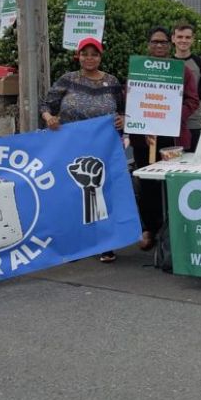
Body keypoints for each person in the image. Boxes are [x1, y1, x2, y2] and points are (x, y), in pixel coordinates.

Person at [40, 37, 125, 263]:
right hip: (71, 146)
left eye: (94, 54)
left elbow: (125, 111)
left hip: (103, 148)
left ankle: (105, 244)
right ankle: (75, 244)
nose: (89, 58)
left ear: (101, 56)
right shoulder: (68, 80)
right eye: (85, 53)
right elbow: (46, 105)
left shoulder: (112, 82)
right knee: (72, 193)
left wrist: (123, 120)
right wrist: (49, 118)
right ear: (78, 56)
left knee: (102, 193)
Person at [130, 26, 199, 252]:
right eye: (155, 42)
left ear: (169, 45)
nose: (159, 46)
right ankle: (150, 229)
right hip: (145, 138)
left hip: (173, 137)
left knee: (172, 184)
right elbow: (131, 98)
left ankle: (173, 231)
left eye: (163, 42)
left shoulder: (181, 71)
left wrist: (170, 115)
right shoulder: (139, 68)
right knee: (147, 185)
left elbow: (192, 100)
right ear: (149, 45)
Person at [172, 22, 201, 152]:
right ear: (173, 38)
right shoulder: (166, 63)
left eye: (187, 37)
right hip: (169, 122)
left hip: (193, 122)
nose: (183, 40)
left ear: (193, 39)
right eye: (180, 37)